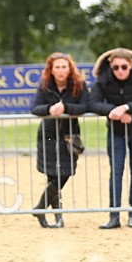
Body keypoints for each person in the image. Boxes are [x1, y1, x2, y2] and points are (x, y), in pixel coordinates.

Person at [88, 48, 132, 229]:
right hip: (116, 131)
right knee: (116, 171)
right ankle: (114, 216)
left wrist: (125, 107)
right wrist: (113, 111)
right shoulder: (103, 80)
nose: (120, 71)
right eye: (116, 67)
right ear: (111, 66)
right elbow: (92, 102)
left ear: (131, 65)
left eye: (124, 67)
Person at [30, 52, 88, 228]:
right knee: (52, 175)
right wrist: (49, 108)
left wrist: (66, 107)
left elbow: (86, 106)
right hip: (47, 135)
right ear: (51, 70)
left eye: (64, 67)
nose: (61, 70)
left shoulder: (79, 85)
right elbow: (34, 108)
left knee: (65, 172)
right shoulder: (45, 86)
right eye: (57, 67)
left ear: (70, 69)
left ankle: (40, 207)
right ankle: (57, 218)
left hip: (69, 135)